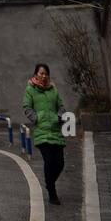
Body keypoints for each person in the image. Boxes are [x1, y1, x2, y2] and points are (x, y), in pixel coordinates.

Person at [23, 62, 66, 205]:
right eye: (41, 73)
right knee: (49, 161)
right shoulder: (30, 90)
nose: (43, 76)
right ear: (36, 74)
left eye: (46, 74)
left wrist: (60, 116)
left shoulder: (53, 89)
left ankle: (49, 183)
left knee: (60, 163)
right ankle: (52, 193)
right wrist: (37, 118)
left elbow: (61, 106)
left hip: (55, 130)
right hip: (42, 131)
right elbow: (27, 107)